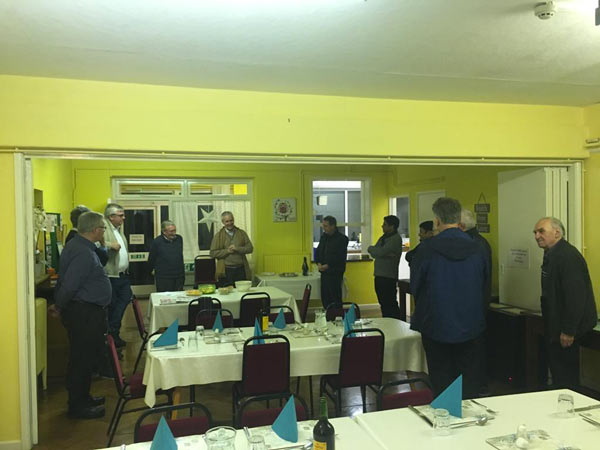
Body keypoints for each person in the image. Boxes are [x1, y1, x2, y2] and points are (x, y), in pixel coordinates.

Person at [410, 198, 488, 398]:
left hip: (436, 322)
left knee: (441, 377)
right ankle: (469, 411)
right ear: (458, 219)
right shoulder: (478, 247)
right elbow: (484, 284)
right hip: (471, 323)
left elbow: (415, 286)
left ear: (437, 221)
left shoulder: (426, 249)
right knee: (469, 378)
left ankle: (445, 413)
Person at [54, 212, 111, 419]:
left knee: (86, 357)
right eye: (103, 228)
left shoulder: (81, 246)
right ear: (95, 230)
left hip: (85, 310)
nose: (104, 232)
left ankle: (84, 397)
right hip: (84, 312)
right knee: (81, 358)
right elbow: (70, 285)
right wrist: (59, 306)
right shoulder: (83, 252)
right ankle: (78, 405)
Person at [533, 217, 597, 389]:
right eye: (535, 232)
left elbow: (575, 297)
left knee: (565, 377)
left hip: (567, 330)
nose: (537, 236)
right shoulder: (553, 254)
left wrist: (569, 330)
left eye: (541, 231)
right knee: (559, 373)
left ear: (557, 233)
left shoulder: (567, 257)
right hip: (557, 326)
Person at [103, 203, 132, 348]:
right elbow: (96, 243)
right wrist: (110, 245)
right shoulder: (103, 228)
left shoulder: (118, 230)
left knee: (126, 298)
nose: (123, 218)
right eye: (120, 215)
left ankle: (114, 331)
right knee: (113, 306)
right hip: (111, 276)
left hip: (122, 275)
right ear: (111, 217)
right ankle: (112, 335)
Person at [367, 215, 404, 319]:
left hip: (388, 276)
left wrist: (377, 251)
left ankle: (395, 322)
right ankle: (387, 321)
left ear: (392, 226)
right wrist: (373, 250)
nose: (382, 226)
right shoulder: (383, 238)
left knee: (390, 303)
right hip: (379, 275)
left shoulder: (395, 239)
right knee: (383, 302)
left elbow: (380, 252)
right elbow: (375, 252)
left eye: (385, 224)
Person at [210, 211, 253, 286]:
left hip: (241, 270)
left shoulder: (242, 233)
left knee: (242, 291)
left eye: (231, 220)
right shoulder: (218, 236)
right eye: (227, 221)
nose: (230, 223)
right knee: (226, 292)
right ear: (223, 222)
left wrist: (237, 248)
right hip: (225, 271)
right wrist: (227, 251)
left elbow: (250, 249)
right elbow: (212, 253)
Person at [314, 216, 349, 309]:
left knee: (335, 297)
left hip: (335, 272)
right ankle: (328, 314)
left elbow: (339, 257)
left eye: (326, 226)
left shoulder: (342, 239)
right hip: (324, 272)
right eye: (323, 226)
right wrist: (319, 263)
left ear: (333, 226)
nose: (324, 228)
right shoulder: (324, 237)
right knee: (325, 297)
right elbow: (319, 251)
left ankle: (337, 315)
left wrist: (328, 265)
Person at [148, 220, 185, 292]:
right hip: (164, 277)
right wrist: (150, 271)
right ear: (164, 232)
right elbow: (151, 259)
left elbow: (179, 255)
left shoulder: (179, 239)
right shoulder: (157, 242)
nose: (174, 233)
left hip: (179, 276)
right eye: (171, 231)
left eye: (175, 230)